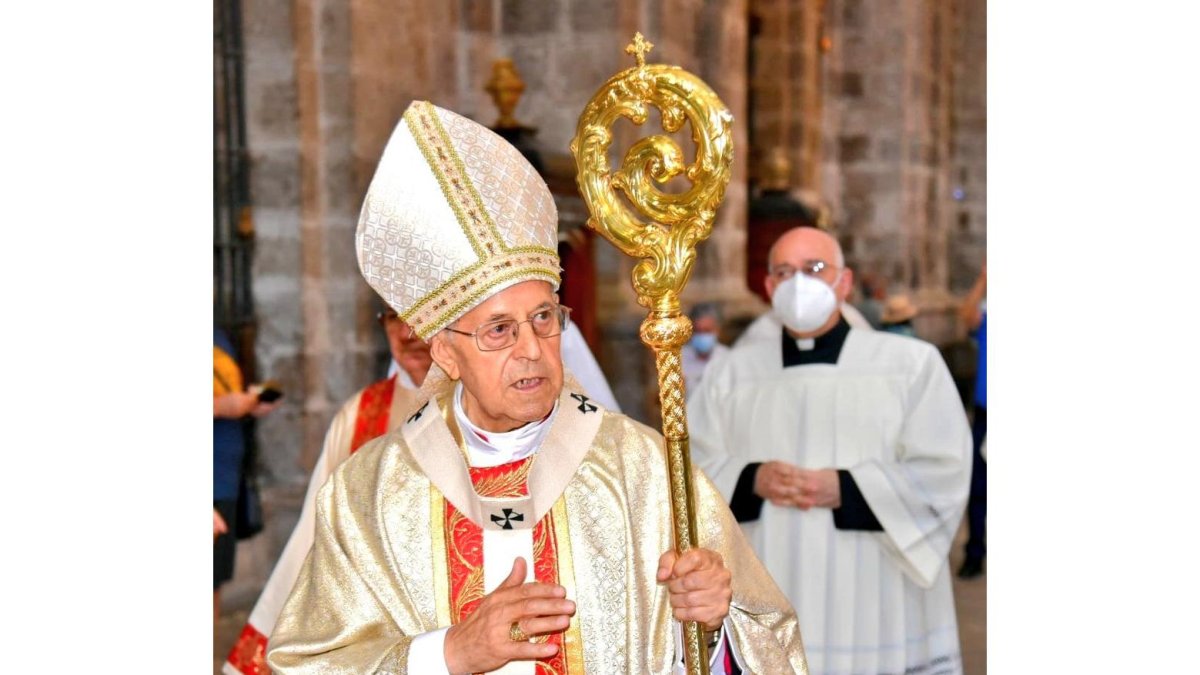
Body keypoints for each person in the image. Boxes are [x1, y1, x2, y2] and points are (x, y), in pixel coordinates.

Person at [267, 101, 807, 674]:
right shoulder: (371, 491)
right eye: (500, 329)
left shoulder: (644, 469)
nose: (532, 348)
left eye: (544, 318)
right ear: (445, 352)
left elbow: (764, 636)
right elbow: (308, 662)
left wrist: (714, 625)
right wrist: (450, 653)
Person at [688, 226, 972, 675]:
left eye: (814, 269)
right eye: (784, 271)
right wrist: (750, 478)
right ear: (767, 287)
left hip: (871, 583)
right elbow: (691, 470)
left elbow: (945, 469)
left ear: (845, 282)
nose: (799, 283)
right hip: (766, 574)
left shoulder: (910, 365)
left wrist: (848, 488)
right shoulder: (731, 373)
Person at [222, 308, 431, 674]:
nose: (408, 333)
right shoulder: (358, 416)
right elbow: (314, 536)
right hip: (371, 638)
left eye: (420, 314)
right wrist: (270, 642)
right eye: (393, 317)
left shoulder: (486, 410)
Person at [214, 326, 280, 622]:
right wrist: (217, 407)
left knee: (214, 578)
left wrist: (251, 403)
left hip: (226, 476)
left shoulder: (219, 334)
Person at [957, 263, 987, 579]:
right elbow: (966, 317)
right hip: (986, 413)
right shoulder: (988, 317)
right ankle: (975, 551)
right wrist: (983, 279)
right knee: (978, 486)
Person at [682, 302, 730, 400]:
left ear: (718, 330)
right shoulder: (678, 358)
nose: (701, 335)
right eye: (697, 331)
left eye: (706, 331)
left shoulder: (728, 358)